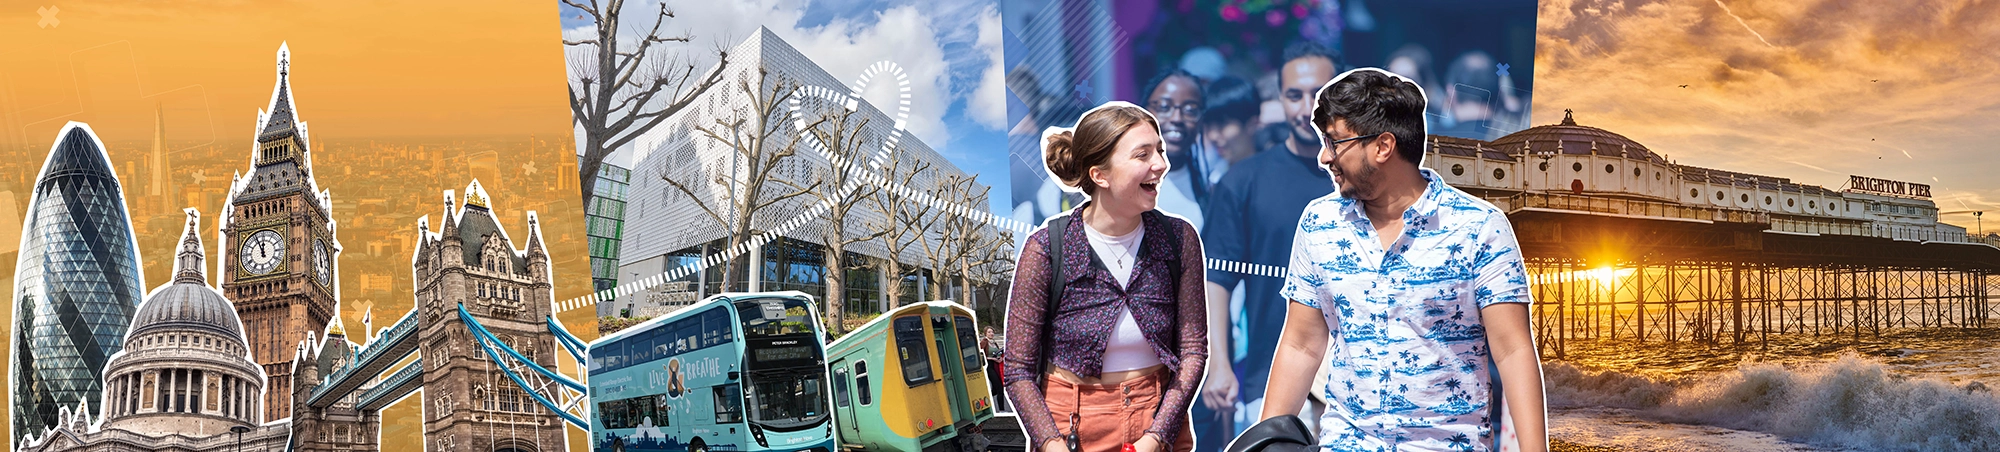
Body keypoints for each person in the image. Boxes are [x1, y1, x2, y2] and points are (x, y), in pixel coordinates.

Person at [1261, 68, 1546, 451]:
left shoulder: (1480, 228)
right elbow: (1302, 345)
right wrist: (1263, 443)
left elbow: (1513, 351)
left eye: (1334, 142)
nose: (1324, 157)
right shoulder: (1319, 223)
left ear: (1383, 146)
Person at [1004, 101, 1209, 452]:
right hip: (1071, 424)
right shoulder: (1046, 248)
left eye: (1159, 150)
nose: (1160, 164)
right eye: (1142, 155)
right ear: (1100, 175)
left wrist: (1157, 436)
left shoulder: (1179, 239)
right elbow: (1018, 369)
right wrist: (1051, 444)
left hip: (1157, 414)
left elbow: (1193, 350)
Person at [1194, 41, 1340, 452]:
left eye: (1318, 94)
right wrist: (1219, 364)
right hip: (1270, 383)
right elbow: (1216, 281)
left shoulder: (1369, 181)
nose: (1306, 107)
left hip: (1360, 392)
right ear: (1279, 99)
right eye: (1294, 95)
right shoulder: (1242, 182)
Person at [1143, 69, 1210, 228]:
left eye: (1190, 110)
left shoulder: (1208, 188)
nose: (1177, 118)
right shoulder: (1116, 178)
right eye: (1164, 107)